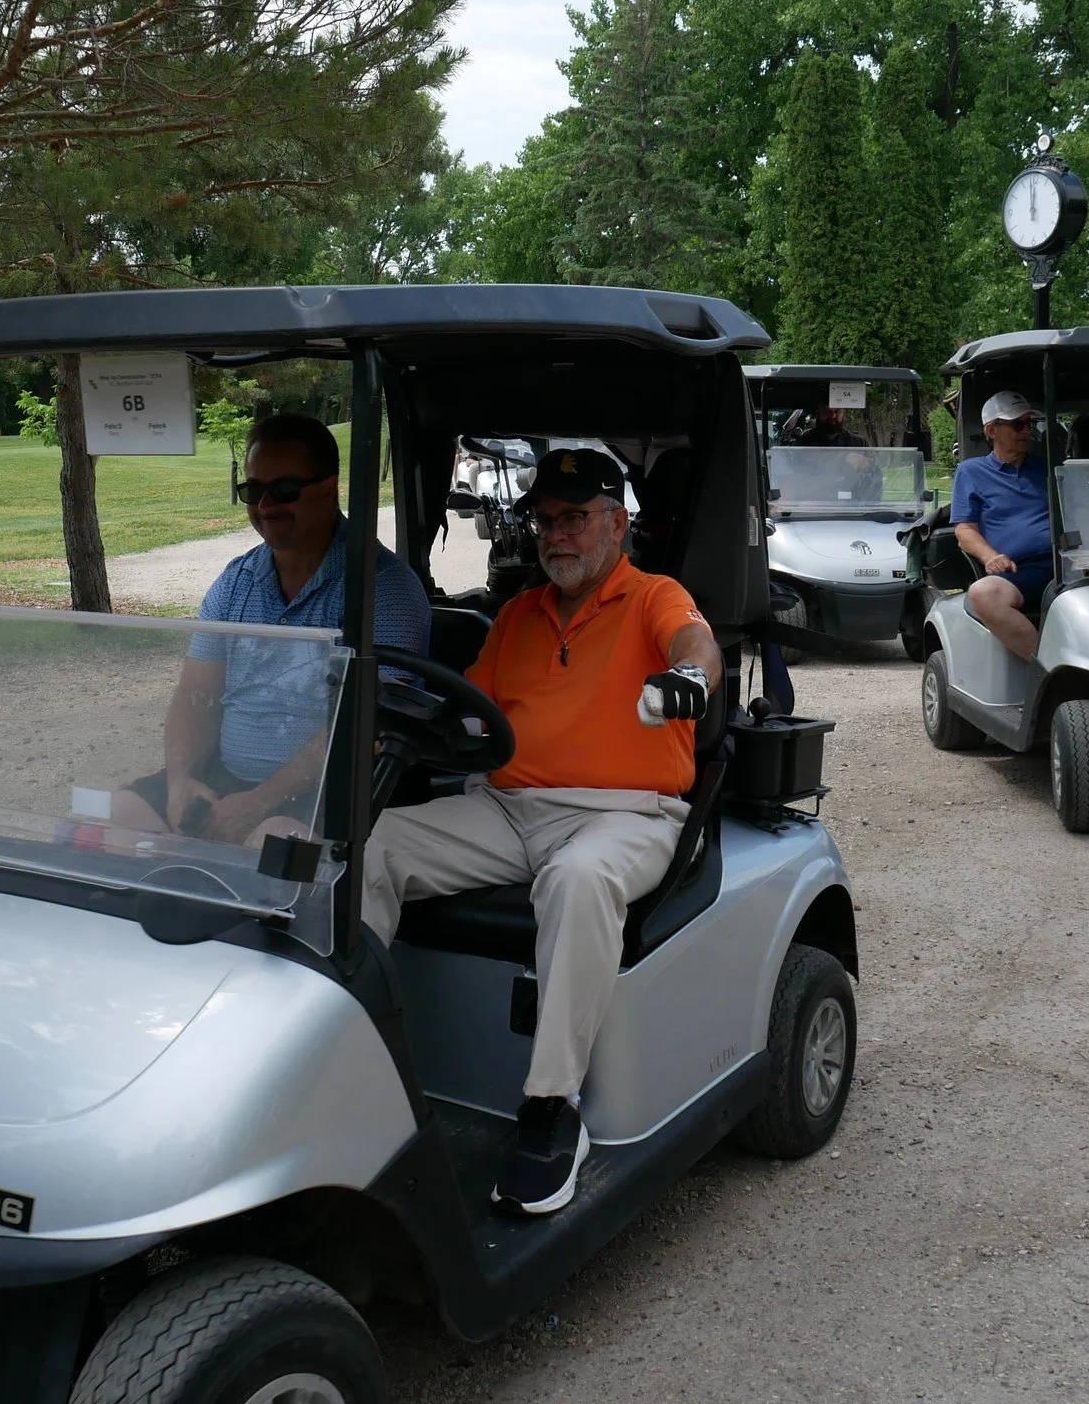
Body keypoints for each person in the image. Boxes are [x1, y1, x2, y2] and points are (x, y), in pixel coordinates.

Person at [363, 447, 720, 1219]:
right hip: (508, 807)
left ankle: (552, 1107)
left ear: (617, 523)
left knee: (578, 879)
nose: (556, 534)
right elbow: (476, 711)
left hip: (623, 813)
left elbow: (698, 647)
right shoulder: (520, 613)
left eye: (575, 518)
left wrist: (686, 682)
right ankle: (346, 1052)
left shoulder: (654, 595)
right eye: (545, 520)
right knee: (374, 846)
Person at [113, 412, 430, 845]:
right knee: (119, 816)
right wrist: (180, 780)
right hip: (229, 779)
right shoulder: (235, 581)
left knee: (274, 843)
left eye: (283, 490)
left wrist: (259, 802)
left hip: (331, 788)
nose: (265, 506)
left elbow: (366, 722)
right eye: (253, 490)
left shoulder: (383, 588)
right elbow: (195, 696)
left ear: (329, 487)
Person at [951, 390, 1051, 662]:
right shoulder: (971, 471)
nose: (1026, 431)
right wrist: (990, 556)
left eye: (1029, 424)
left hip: (1063, 563)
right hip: (1018, 570)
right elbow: (965, 530)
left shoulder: (1048, 468)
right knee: (983, 593)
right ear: (992, 431)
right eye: (1017, 425)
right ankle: (1048, 669)